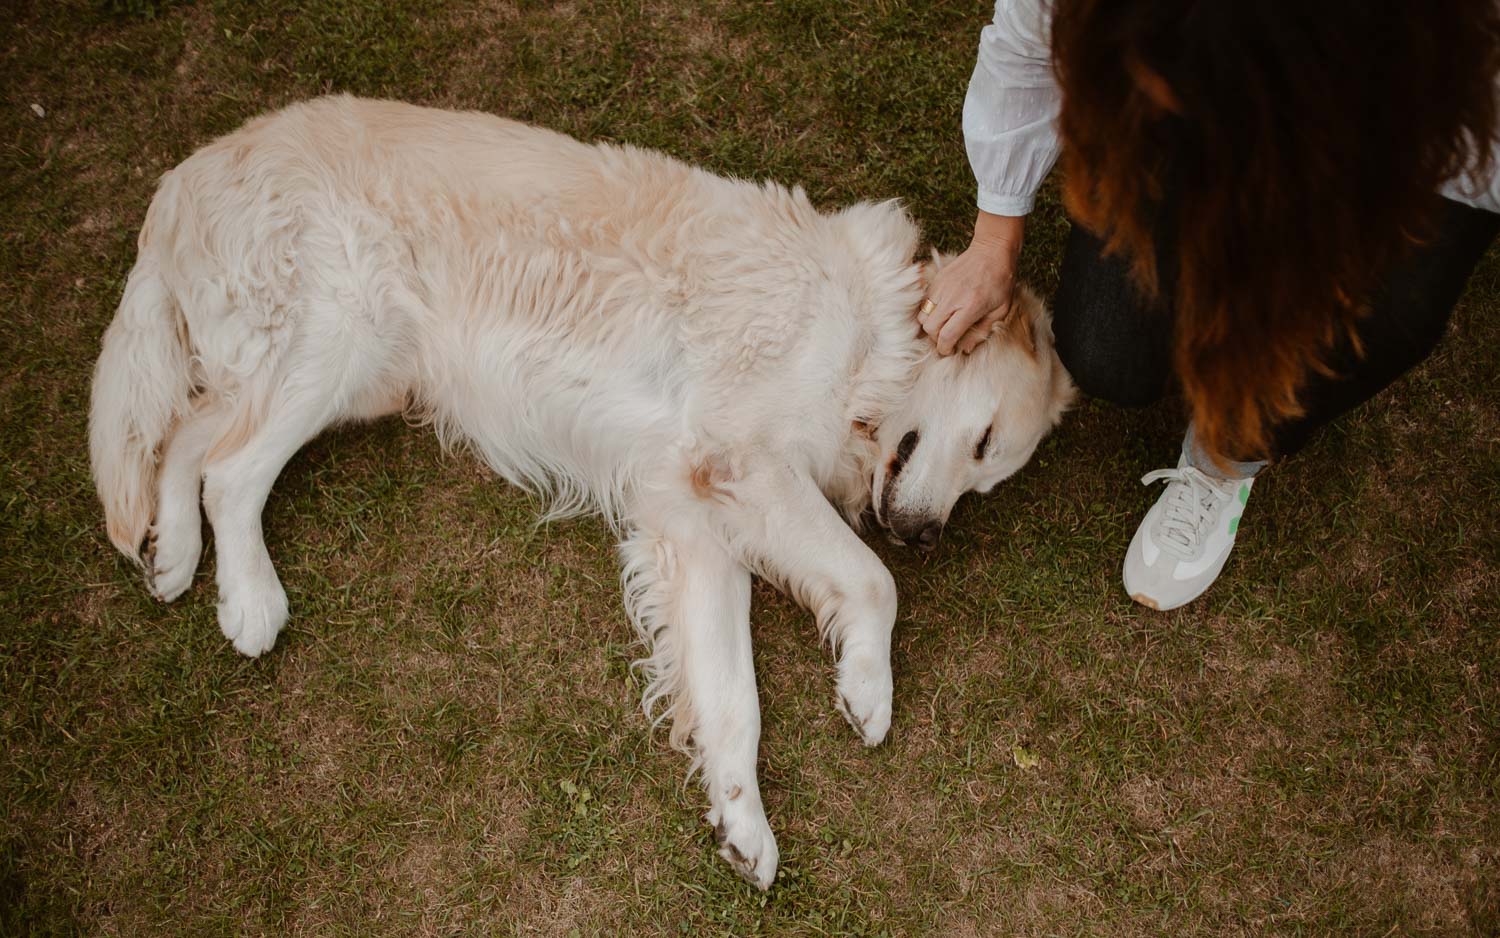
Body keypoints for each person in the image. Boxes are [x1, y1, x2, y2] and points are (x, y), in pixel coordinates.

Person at [921, 0, 1500, 610]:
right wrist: (994, 241)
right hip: (1210, 96)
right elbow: (1027, 44)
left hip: (1405, 148)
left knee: (1392, 311)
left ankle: (1225, 457)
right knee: (1105, 351)